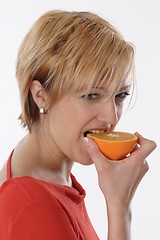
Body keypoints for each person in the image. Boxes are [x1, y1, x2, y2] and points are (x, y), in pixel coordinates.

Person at [0, 10, 156, 240]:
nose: (111, 118)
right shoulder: (32, 204)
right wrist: (119, 206)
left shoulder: (51, 175)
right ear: (41, 95)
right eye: (92, 95)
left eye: (120, 95)